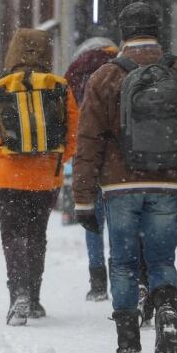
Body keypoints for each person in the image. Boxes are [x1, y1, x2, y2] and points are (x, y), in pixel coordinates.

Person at [73, 2, 177, 353]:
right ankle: (167, 312)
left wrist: (83, 198)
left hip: (120, 185)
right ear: (159, 30)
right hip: (170, 182)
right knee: (161, 259)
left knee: (122, 262)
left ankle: (127, 342)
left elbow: (88, 139)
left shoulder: (105, 76)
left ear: (124, 34)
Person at [0, 28, 80, 326]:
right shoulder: (59, 86)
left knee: (12, 234)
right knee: (36, 234)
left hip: (7, 176)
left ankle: (17, 292)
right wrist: (59, 159)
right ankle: (33, 297)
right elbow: (74, 128)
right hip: (44, 177)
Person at [64, 37, 119, 302]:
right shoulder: (123, 68)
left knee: (92, 221)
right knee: (121, 222)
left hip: (87, 155)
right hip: (119, 160)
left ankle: (97, 283)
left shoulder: (76, 73)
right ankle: (122, 275)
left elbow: (70, 116)